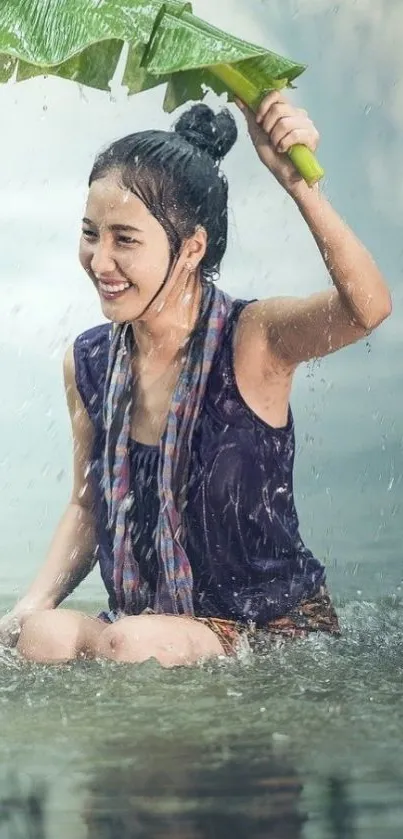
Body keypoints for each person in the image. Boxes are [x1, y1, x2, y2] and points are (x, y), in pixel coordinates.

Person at [0, 93, 391, 667]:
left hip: (270, 628)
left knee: (130, 642)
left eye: (124, 239)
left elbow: (367, 309)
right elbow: (89, 507)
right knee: (43, 636)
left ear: (191, 249)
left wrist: (299, 184)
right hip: (145, 627)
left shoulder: (252, 340)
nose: (99, 261)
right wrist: (25, 609)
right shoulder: (87, 360)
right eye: (91, 233)